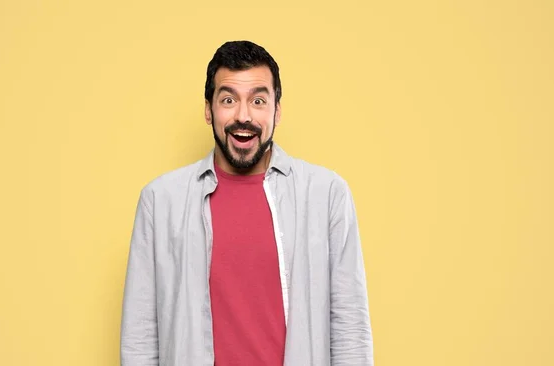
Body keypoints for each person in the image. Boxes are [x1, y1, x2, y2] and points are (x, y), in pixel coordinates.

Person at [120, 40, 374, 366]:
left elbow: (350, 327)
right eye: (228, 100)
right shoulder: (160, 201)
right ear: (209, 110)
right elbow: (140, 336)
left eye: (258, 100)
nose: (244, 116)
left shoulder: (326, 195)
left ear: (276, 111)